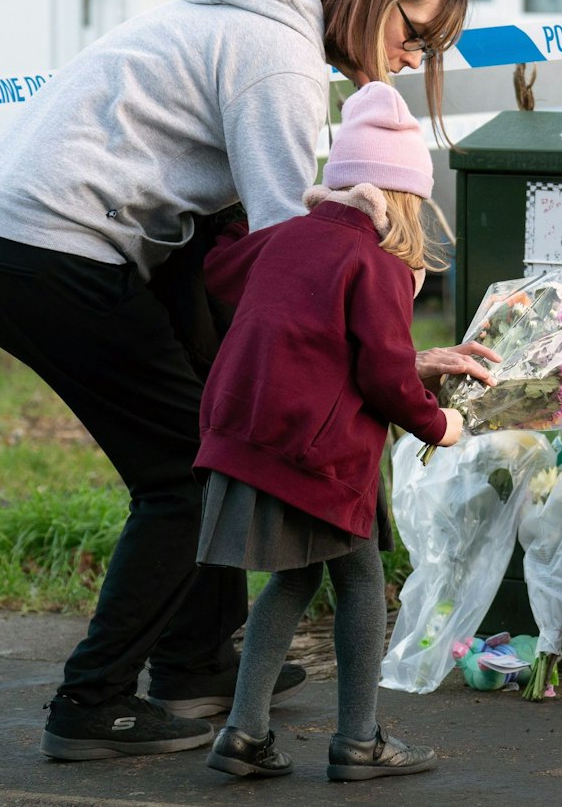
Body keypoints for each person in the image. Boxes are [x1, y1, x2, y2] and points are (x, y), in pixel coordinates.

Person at [0, 0, 499, 761]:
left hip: (13, 239)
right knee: (184, 473)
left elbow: (243, 254)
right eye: (413, 32)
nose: (413, 56)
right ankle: (90, 704)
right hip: (47, 247)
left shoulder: (255, 23)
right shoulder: (278, 62)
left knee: (206, 431)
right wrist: (394, 363)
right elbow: (291, 276)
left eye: (429, 47)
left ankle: (198, 660)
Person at [194, 80, 457, 782]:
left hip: (249, 436)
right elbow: (384, 376)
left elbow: (220, 267)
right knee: (364, 579)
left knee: (293, 579)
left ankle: (245, 733)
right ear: (405, 195)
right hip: (319, 454)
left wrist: (228, 211)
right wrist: (441, 423)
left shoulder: (288, 236)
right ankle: (359, 740)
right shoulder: (373, 261)